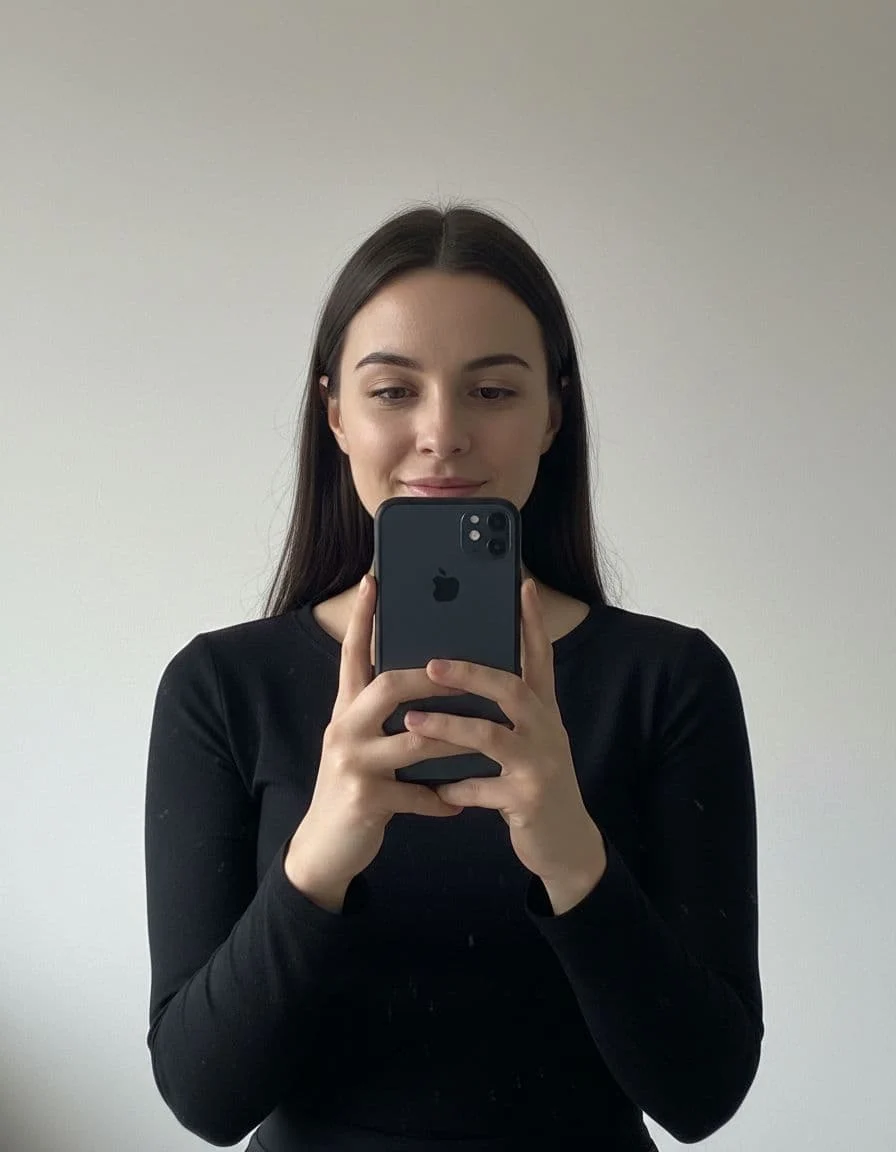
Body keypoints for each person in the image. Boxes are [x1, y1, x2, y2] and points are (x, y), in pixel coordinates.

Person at [144, 202, 763, 1152]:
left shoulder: (670, 681)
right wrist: (323, 852)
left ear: (553, 411)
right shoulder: (223, 687)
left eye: (492, 391)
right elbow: (204, 1097)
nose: (442, 434)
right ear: (335, 414)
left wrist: (571, 854)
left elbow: (702, 1094)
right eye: (394, 390)